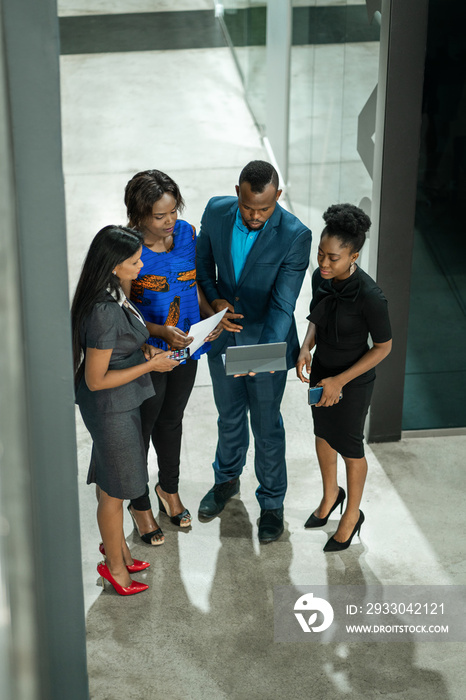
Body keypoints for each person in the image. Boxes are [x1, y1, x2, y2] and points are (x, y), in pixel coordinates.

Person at [196, 160, 312, 543]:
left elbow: (283, 306)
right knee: (229, 417)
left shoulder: (296, 236)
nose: (256, 215)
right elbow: (203, 270)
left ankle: (272, 503)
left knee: (266, 425)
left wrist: (259, 357)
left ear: (277, 196)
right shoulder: (215, 211)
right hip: (223, 337)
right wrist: (215, 304)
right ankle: (226, 481)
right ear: (238, 193)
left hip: (268, 341)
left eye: (264, 208)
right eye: (248, 207)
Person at [72, 225, 179, 595]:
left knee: (110, 484)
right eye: (135, 261)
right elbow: (96, 379)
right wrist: (151, 365)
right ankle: (115, 569)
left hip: (121, 402)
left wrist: (144, 349)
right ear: (115, 265)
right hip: (109, 407)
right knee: (115, 493)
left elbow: (122, 341)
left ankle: (116, 549)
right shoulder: (102, 311)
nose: (141, 264)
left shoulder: (113, 290)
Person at [122, 170, 221, 542]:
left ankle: (169, 489)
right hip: (147, 351)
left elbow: (190, 284)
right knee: (142, 429)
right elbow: (123, 308)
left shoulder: (186, 235)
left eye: (172, 212)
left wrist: (211, 316)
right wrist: (158, 332)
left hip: (188, 346)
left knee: (172, 420)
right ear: (139, 214)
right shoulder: (127, 247)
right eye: (159, 216)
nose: (169, 222)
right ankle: (139, 502)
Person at [296, 204, 392, 551]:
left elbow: (383, 348)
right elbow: (318, 318)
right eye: (320, 254)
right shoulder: (319, 277)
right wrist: (307, 346)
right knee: (322, 435)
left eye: (333, 258)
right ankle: (329, 496)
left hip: (353, 379)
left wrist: (340, 382)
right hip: (322, 370)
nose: (323, 263)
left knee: (350, 447)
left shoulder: (370, 296)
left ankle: (351, 515)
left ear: (354, 255)